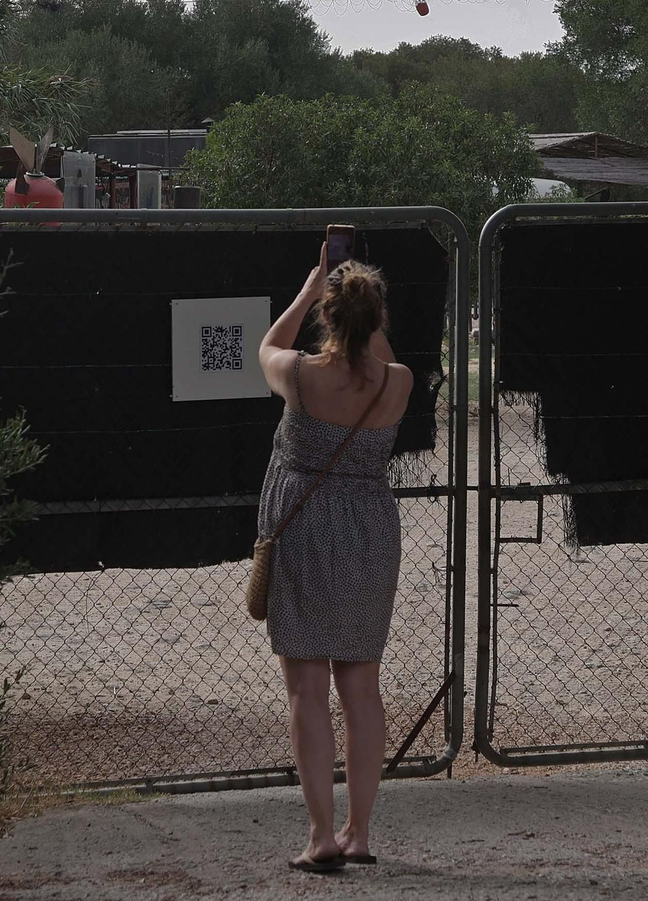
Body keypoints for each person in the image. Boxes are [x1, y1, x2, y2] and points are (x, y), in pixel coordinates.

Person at [256, 241, 413, 873]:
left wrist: (310, 288)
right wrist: (360, 319)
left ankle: (321, 836)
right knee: (360, 685)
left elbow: (266, 346)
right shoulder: (395, 382)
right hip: (371, 532)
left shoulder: (297, 374)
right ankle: (360, 831)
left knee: (306, 686)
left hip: (305, 533)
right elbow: (377, 357)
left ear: (328, 314)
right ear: (378, 321)